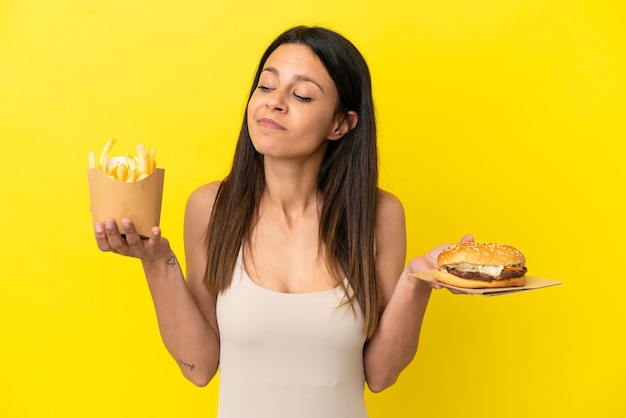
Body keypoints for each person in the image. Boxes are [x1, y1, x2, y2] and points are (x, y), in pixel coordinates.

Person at [94, 25, 472, 418]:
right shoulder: (211, 207)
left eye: (302, 94)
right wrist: (156, 262)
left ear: (340, 124)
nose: (274, 103)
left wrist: (417, 282)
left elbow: (380, 374)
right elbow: (200, 367)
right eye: (266, 86)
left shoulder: (378, 215)